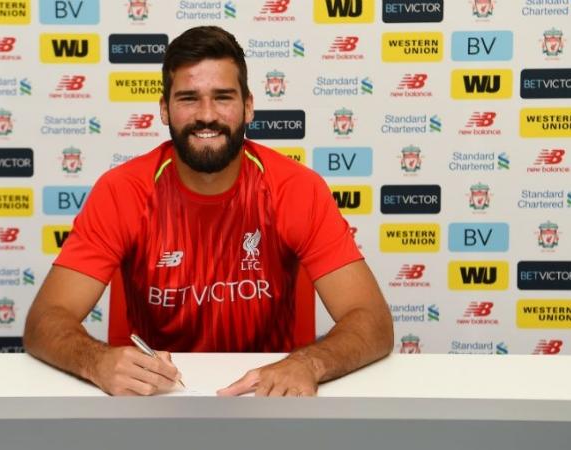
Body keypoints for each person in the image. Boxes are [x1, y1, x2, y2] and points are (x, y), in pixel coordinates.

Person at [24, 26, 393, 397]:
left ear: (248, 106)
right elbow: (45, 319)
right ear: (164, 109)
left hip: (265, 398)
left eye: (223, 97)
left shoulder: (296, 188)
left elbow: (372, 320)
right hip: (154, 398)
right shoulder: (122, 191)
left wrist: (308, 363)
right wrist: (96, 361)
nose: (206, 115)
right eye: (188, 98)